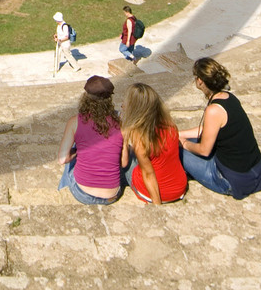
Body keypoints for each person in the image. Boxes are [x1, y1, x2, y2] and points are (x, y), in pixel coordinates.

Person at [179, 57, 261, 199]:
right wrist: (180, 133)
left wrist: (183, 143)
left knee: (177, 150)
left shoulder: (213, 110)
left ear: (200, 80)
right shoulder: (228, 97)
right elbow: (208, 128)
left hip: (231, 181)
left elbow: (204, 150)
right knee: (186, 140)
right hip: (254, 173)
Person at [55, 75, 123, 204]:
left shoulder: (75, 121)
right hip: (112, 195)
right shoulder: (120, 121)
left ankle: (61, 189)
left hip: (83, 193)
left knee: (74, 147)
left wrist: (77, 153)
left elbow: (62, 159)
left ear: (86, 97)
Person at [120, 82, 188, 205]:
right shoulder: (170, 126)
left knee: (121, 164)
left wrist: (157, 205)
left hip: (155, 192)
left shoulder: (140, 139)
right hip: (179, 187)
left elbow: (148, 174)